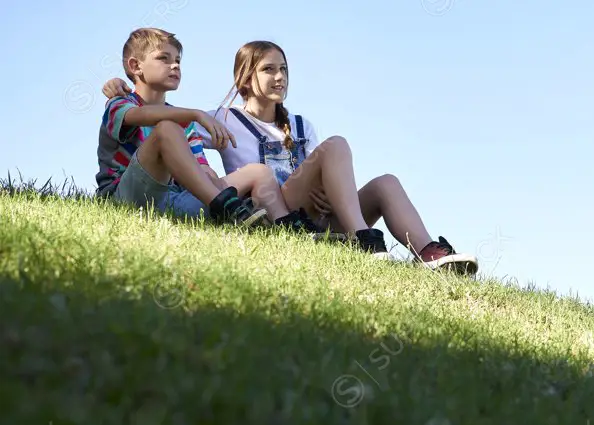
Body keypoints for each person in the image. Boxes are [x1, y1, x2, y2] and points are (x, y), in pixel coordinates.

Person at [102, 40, 479, 274]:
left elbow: (323, 169)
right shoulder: (222, 119)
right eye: (269, 69)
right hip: (277, 208)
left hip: (317, 213)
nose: (280, 77)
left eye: (283, 69)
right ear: (245, 79)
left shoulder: (300, 125)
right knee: (327, 148)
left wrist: (329, 195)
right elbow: (176, 139)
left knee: (383, 182)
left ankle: (428, 253)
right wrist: (120, 87)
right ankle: (362, 238)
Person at [95, 28, 312, 231]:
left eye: (178, 60)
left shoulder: (185, 123)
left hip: (171, 201)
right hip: (127, 198)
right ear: (135, 66)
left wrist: (218, 181)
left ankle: (285, 225)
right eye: (164, 58)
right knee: (167, 129)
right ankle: (226, 207)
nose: (175, 66)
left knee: (259, 171)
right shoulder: (120, 103)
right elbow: (139, 116)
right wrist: (197, 114)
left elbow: (201, 168)